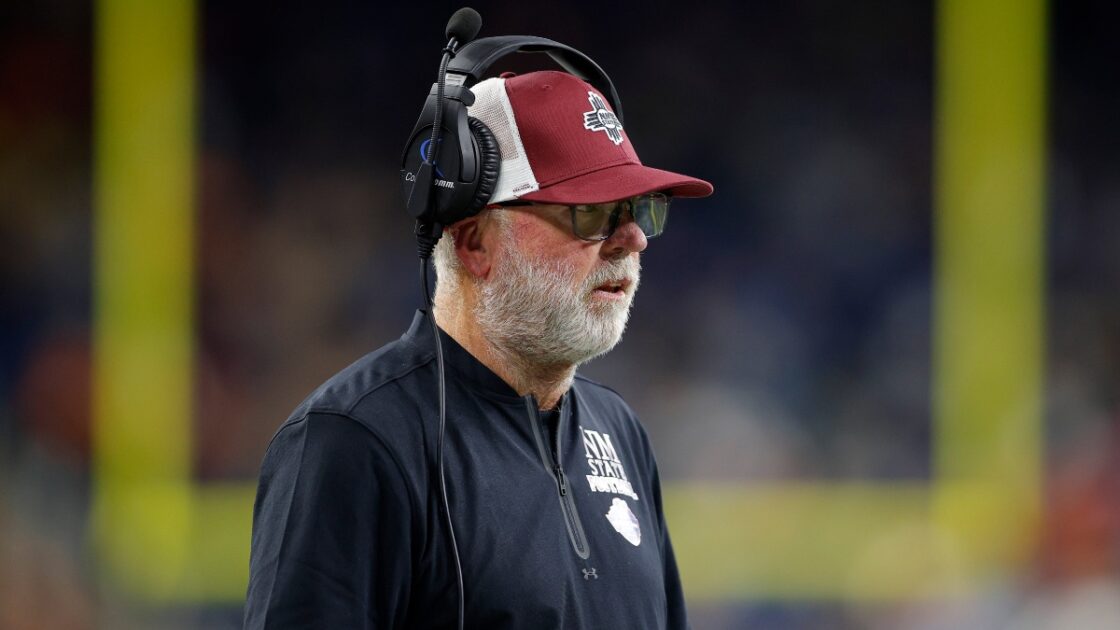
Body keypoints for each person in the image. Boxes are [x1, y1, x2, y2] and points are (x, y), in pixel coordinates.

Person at [243, 69, 713, 629]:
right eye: (590, 213)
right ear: (474, 244)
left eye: (639, 209)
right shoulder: (352, 441)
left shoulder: (619, 429)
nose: (632, 239)